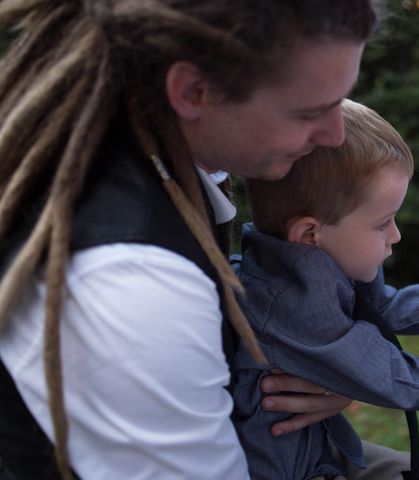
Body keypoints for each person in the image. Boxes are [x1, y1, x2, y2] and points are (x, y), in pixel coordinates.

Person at [0, 1, 380, 479]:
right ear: (193, 92)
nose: (334, 135)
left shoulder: (172, 155)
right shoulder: (133, 283)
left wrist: (328, 368)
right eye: (310, 112)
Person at [232, 99, 419, 480]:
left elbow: (390, 310)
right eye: (382, 224)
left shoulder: (314, 263)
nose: (396, 235)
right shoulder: (293, 307)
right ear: (310, 233)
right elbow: (409, 381)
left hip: (316, 449)